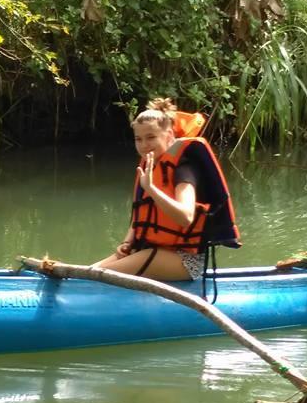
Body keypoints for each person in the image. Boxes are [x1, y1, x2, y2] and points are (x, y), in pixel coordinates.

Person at [92, 98, 239, 281]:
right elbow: (139, 217)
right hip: (150, 250)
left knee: (97, 276)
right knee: (89, 271)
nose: (144, 144)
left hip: (186, 261)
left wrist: (152, 189)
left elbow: (186, 217)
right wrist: (128, 242)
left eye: (151, 137)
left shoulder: (184, 168)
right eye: (139, 139)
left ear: (169, 135)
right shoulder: (150, 168)